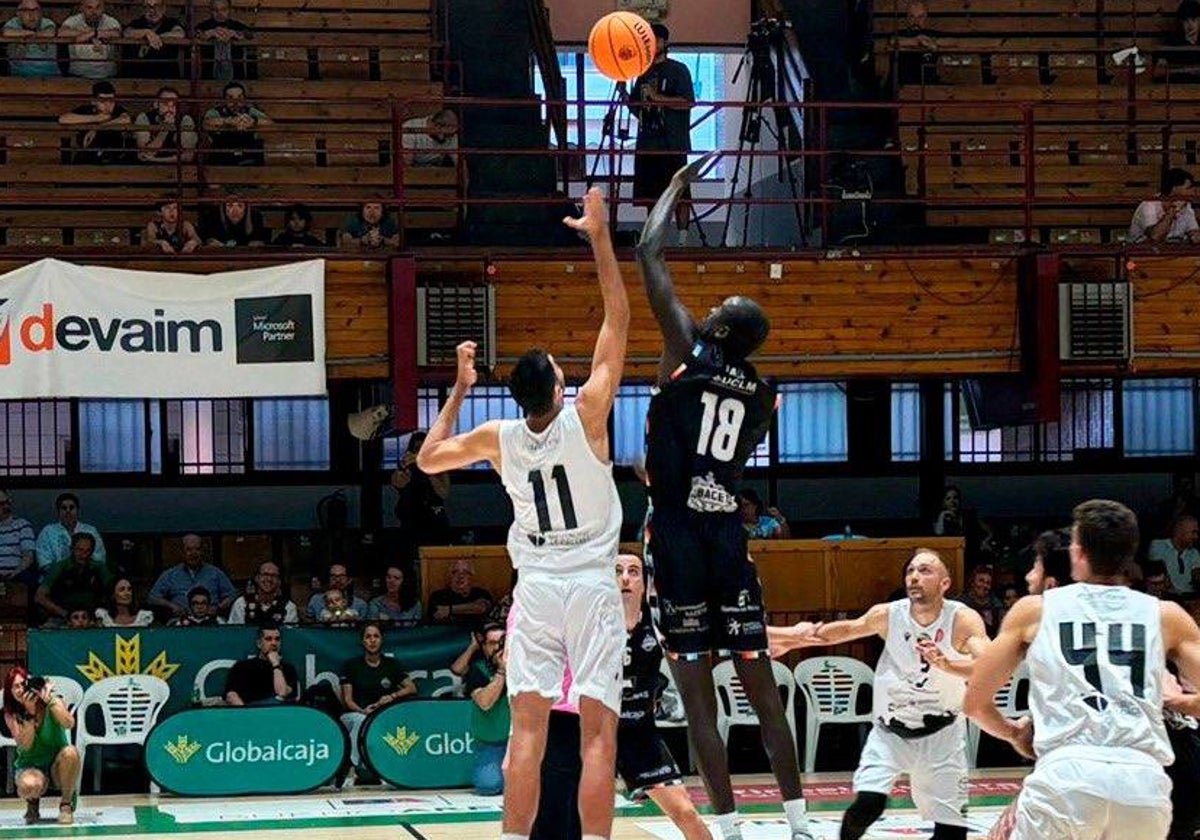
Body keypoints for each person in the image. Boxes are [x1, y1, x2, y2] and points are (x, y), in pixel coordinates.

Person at [416, 187, 628, 840]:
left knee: (527, 733)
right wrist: (599, 238)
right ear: (561, 389)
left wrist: (457, 389)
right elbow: (617, 319)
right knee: (596, 735)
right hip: (592, 585)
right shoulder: (588, 415)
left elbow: (426, 459)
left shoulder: (499, 439)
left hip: (533, 590)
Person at [635, 156, 813, 840]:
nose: (705, 311)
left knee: (696, 694)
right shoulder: (764, 396)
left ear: (720, 332)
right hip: (727, 538)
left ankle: (731, 829)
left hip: (678, 533)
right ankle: (799, 823)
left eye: (715, 313)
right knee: (761, 686)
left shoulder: (688, 347)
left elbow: (648, 252)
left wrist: (675, 189)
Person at [965, 499, 1200, 840]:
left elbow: (974, 701)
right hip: (1142, 782)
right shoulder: (1167, 615)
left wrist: (1014, 733)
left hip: (1068, 773)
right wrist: (1179, 702)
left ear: (1078, 552)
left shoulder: (1035, 611)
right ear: (1131, 553)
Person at [770, 549, 987, 840]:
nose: (914, 577)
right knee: (867, 806)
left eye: (924, 571)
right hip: (891, 732)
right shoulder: (888, 614)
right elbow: (843, 631)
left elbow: (989, 665)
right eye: (910, 571)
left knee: (951, 833)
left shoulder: (963, 620)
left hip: (943, 735)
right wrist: (791, 640)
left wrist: (947, 664)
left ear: (945, 583)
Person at [614, 553, 711, 840]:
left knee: (687, 813)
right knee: (572, 819)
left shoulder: (659, 625)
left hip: (640, 735)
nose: (625, 578)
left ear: (644, 583)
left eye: (633, 571)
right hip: (595, 734)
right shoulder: (590, 622)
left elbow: (714, 637)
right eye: (617, 571)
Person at [629, 23, 694, 242]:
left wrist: (658, 98)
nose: (650, 44)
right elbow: (638, 110)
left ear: (664, 43)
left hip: (672, 142)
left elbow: (687, 102)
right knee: (651, 195)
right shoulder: (642, 73)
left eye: (654, 40)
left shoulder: (678, 69)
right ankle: (654, 239)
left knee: (679, 193)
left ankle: (683, 239)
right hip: (648, 142)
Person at [339, 622, 416, 784]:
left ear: (381, 640)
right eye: (368, 637)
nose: (372, 640)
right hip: (354, 715)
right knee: (361, 721)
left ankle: (388, 771)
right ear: (362, 641)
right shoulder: (351, 665)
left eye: (376, 636)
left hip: (381, 714)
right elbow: (347, 700)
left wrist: (392, 696)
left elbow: (411, 688)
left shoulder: (391, 664)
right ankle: (351, 769)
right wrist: (363, 711)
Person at [3, 670, 80, 825]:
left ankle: (66, 805)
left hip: (57, 766)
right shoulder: (12, 715)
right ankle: (33, 803)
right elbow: (26, 745)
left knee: (71, 752)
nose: (20, 690)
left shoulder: (54, 702)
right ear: (10, 692)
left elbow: (69, 724)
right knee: (29, 786)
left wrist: (49, 700)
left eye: (23, 685)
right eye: (15, 687)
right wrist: (29, 713)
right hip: (30, 766)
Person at [465, 622, 509, 796]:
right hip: (491, 744)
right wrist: (502, 672)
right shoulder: (477, 670)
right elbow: (484, 702)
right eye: (492, 643)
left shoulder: (524, 670)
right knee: (489, 786)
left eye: (502, 642)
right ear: (484, 647)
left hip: (519, 742)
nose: (498, 648)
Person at [147, 533, 236, 619]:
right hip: (180, 623)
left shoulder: (215, 573)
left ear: (202, 551)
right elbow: (152, 598)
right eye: (189, 550)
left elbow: (233, 595)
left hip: (210, 621)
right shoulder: (170, 574)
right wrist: (171, 606)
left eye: (197, 549)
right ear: (182, 552)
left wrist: (218, 607)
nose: (193, 554)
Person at [224, 623, 298, 705]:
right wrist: (246, 713)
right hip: (249, 712)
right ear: (259, 643)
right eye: (268, 639)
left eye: (277, 639)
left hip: (277, 712)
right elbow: (231, 695)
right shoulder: (242, 667)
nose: (274, 643)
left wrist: (275, 664)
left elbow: (282, 693)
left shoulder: (288, 669)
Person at [35, 492, 105, 578]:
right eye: (64, 508)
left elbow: (99, 558)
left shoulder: (91, 531)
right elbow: (44, 563)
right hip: (55, 580)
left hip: (86, 578)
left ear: (78, 510)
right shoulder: (47, 532)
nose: (68, 511)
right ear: (58, 511)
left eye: (72, 507)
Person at [1129, 167, 1200, 244]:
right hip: (1142, 252)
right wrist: (1173, 210)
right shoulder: (1149, 205)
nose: (1193, 192)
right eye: (1189, 188)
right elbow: (1155, 237)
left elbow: (1194, 234)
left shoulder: (1186, 206)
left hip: (1172, 252)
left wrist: (1195, 236)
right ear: (1174, 189)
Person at [227, 560, 299, 626]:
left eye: (274, 576)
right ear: (257, 578)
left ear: (279, 581)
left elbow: (290, 635)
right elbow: (234, 633)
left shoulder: (288, 607)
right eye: (265, 574)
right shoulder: (241, 603)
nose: (269, 579)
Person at [427, 559, 493, 626]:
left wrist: (449, 609)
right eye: (455, 572)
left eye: (466, 572)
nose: (460, 576)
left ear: (471, 576)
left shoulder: (481, 593)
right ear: (450, 576)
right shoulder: (438, 596)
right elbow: (437, 615)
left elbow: (481, 608)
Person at [3, 0, 59, 78]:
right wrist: (31, 33)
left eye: (35, 10)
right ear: (19, 14)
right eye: (26, 10)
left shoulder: (47, 22)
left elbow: (50, 33)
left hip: (49, 74)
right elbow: (6, 32)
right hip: (19, 75)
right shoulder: (13, 23)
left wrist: (24, 35)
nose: (31, 15)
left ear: (40, 13)